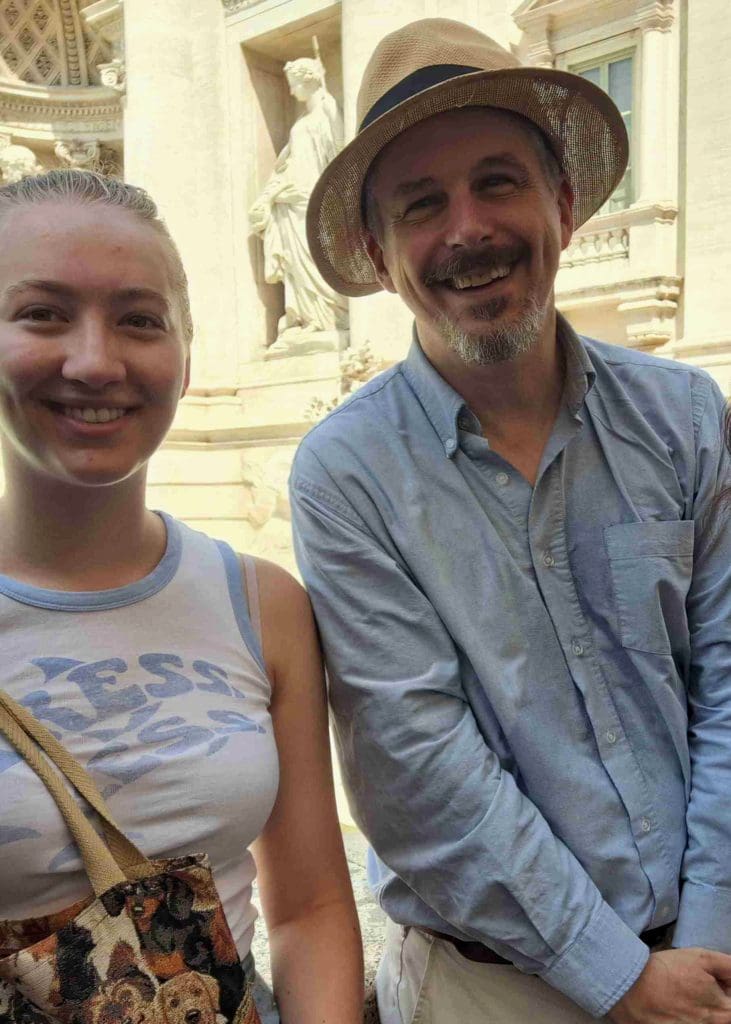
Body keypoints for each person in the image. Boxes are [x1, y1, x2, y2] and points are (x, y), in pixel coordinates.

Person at [290, 18, 731, 1024]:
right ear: (377, 250)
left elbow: (722, 677)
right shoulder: (344, 474)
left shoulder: (684, 415)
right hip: (494, 991)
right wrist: (618, 976)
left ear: (562, 204)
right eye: (420, 204)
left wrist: (704, 934)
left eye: (496, 181)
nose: (466, 230)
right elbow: (420, 768)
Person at [0, 169, 363, 1024]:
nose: (95, 360)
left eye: (139, 319)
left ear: (186, 358)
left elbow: (308, 908)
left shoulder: (263, 604)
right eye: (43, 313)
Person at [248, 56, 348, 349]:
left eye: (294, 84)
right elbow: (284, 163)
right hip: (293, 198)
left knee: (317, 255)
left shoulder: (328, 110)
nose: (291, 92)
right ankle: (306, 319)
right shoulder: (302, 121)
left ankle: (328, 317)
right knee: (297, 263)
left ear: (308, 79)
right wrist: (275, 193)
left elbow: (338, 152)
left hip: (314, 196)